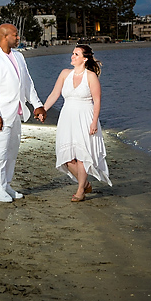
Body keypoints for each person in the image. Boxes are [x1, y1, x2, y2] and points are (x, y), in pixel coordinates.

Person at [0, 23, 46, 202]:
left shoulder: (18, 56)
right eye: (15, 35)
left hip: (16, 113)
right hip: (0, 114)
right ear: (4, 36)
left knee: (12, 151)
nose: (18, 38)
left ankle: (6, 185)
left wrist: (37, 104)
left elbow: (27, 83)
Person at [42, 44, 111, 202]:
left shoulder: (90, 76)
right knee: (67, 158)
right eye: (73, 53)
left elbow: (97, 100)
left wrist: (94, 122)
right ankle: (85, 183)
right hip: (67, 118)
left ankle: (80, 190)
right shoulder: (65, 74)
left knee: (81, 156)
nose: (72, 56)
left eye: (76, 54)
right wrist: (43, 109)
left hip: (85, 118)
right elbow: (55, 93)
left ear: (85, 59)